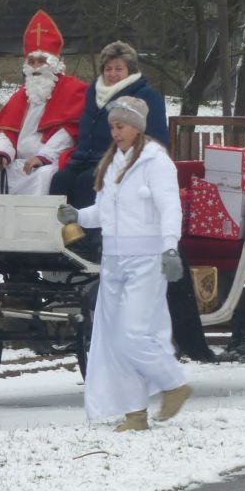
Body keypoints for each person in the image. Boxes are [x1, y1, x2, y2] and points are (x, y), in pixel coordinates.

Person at [57, 96, 192, 431]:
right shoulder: (113, 162)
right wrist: (79, 216)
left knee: (133, 333)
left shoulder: (155, 162)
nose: (114, 133)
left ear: (136, 127)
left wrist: (170, 248)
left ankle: (173, 383)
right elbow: (105, 211)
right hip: (114, 261)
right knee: (117, 339)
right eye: (112, 127)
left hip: (146, 260)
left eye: (120, 126)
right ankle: (135, 413)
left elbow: (170, 208)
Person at [0, 10, 87, 196]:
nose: (36, 66)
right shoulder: (22, 95)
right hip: (17, 162)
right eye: (32, 61)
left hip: (50, 161)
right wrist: (1, 153)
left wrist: (43, 157)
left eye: (42, 61)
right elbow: (6, 132)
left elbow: (68, 134)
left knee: (43, 176)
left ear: (56, 62)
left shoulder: (74, 90)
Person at [49, 40, 169, 211]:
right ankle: (60, 226)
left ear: (130, 70)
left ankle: (88, 228)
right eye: (108, 69)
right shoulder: (93, 92)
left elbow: (157, 138)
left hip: (118, 159)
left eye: (118, 69)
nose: (112, 74)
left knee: (87, 182)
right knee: (60, 180)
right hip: (84, 159)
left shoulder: (145, 95)